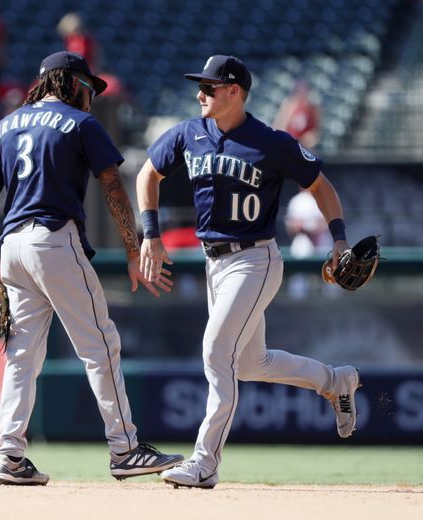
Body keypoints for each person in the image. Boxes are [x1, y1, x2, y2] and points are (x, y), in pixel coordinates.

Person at [136, 55, 361, 489]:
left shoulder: (271, 141)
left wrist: (338, 240)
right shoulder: (189, 132)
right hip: (212, 262)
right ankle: (337, 381)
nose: (199, 93)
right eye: (199, 86)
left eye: (209, 87)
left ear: (234, 91)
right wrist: (151, 234)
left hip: (254, 260)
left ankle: (205, 462)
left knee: (216, 351)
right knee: (250, 363)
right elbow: (148, 174)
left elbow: (320, 186)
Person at [0, 50, 182, 486]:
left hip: (12, 245)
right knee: (101, 344)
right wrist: (133, 249)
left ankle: (10, 455)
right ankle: (125, 448)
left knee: (21, 355)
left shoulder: (6, 124)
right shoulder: (81, 123)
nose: (91, 96)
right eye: (87, 86)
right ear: (67, 81)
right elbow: (111, 183)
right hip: (53, 238)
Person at [272, 81, 321, 150]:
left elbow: (316, 131)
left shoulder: (313, 108)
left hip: (305, 146)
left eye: (304, 92)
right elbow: (279, 127)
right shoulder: (288, 105)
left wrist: (308, 139)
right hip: (289, 142)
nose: (301, 95)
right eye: (299, 92)